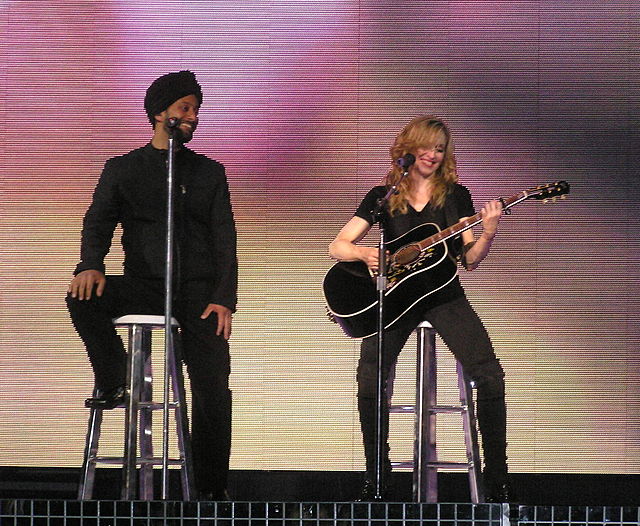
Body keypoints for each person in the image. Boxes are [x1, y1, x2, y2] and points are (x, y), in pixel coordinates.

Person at [66, 70, 238, 500]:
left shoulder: (209, 173)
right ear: (159, 113)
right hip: (145, 282)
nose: (193, 117)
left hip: (197, 292)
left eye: (197, 109)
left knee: (213, 385)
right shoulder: (123, 169)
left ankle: (210, 491)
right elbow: (99, 221)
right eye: (185, 108)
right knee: (82, 295)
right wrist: (90, 264)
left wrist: (223, 299)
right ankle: (115, 375)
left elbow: (225, 239)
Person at [328, 115, 512, 502]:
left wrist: (489, 231)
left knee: (489, 373)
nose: (432, 154)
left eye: (440, 149)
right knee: (370, 377)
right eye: (426, 146)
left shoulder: (455, 195)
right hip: (395, 301)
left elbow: (471, 258)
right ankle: (376, 477)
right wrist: (364, 254)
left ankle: (499, 478)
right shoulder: (383, 196)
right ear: (408, 149)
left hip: (443, 295)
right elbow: (338, 245)